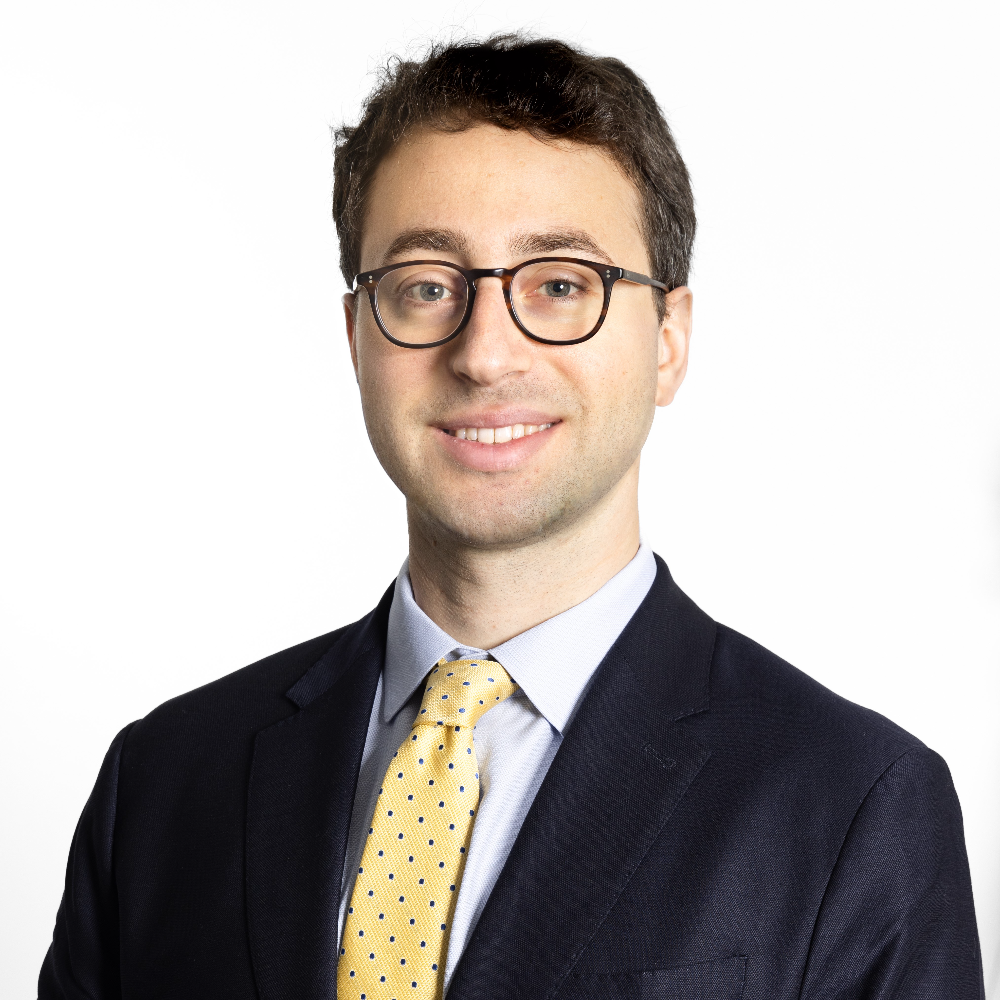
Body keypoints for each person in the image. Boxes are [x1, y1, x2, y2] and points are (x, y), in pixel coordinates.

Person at [39, 34, 984, 1000]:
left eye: (562, 285)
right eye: (426, 286)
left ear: (668, 341)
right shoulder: (162, 784)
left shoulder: (855, 805)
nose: (486, 354)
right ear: (358, 337)